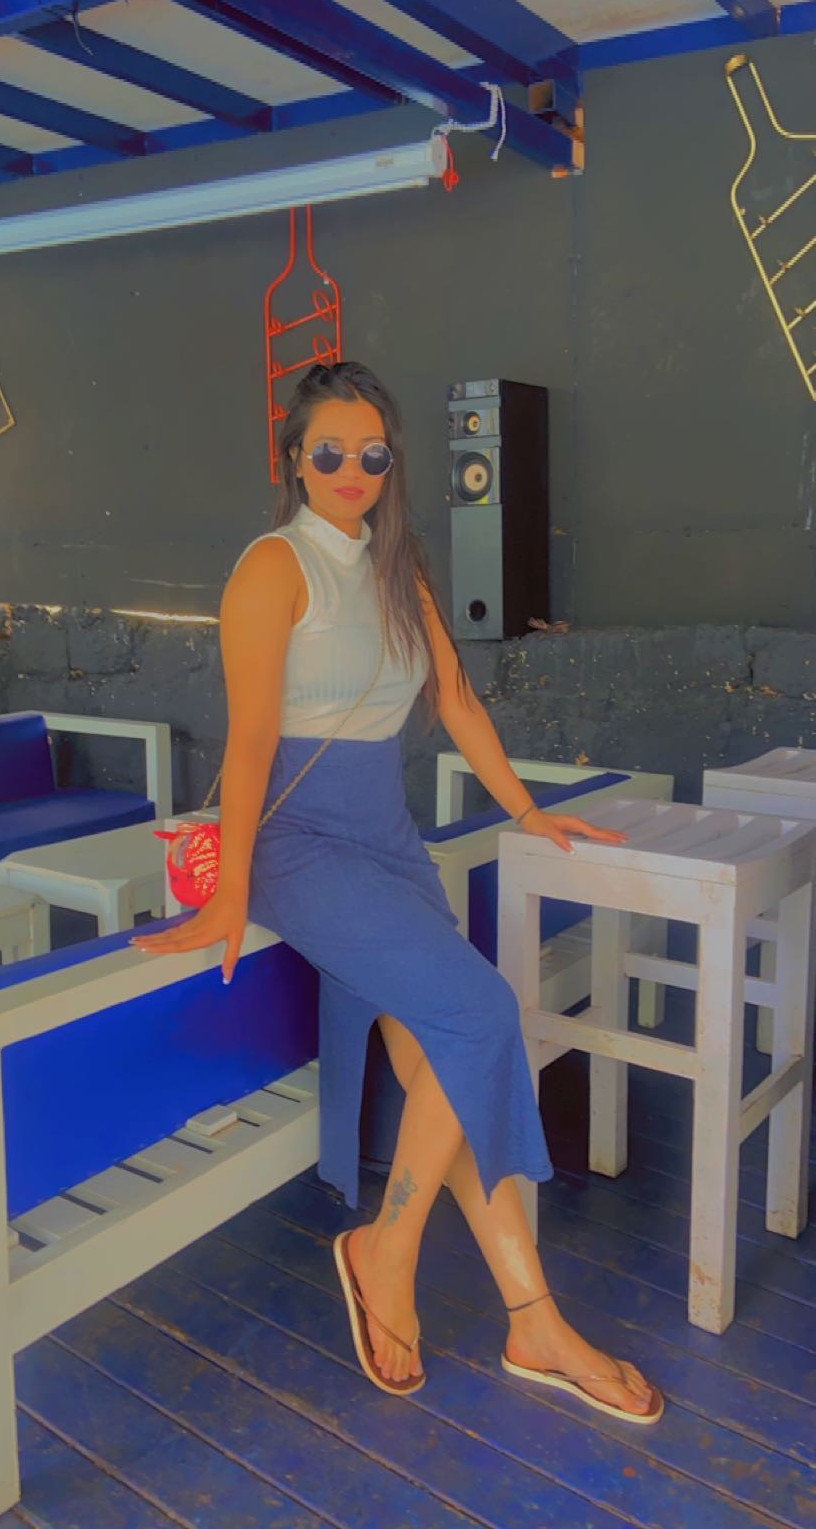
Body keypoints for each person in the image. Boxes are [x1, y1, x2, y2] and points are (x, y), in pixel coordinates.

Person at [133, 361, 663, 1425]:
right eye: (329, 451)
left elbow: (456, 698)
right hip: (296, 842)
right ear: (294, 458)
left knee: (447, 1059)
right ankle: (386, 1251)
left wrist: (526, 807)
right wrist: (229, 891)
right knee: (480, 1013)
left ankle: (533, 1318)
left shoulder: (396, 565)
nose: (352, 470)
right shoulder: (272, 567)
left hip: (385, 837)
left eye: (372, 454)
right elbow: (249, 742)